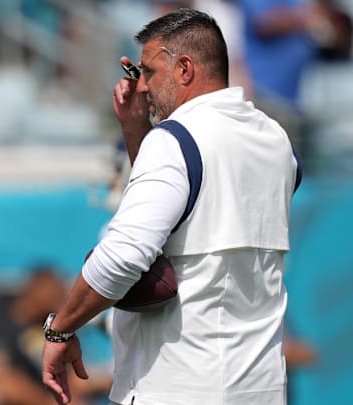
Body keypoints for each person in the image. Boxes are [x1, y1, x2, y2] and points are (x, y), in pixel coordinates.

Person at [41, 8, 300, 405]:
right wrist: (136, 131)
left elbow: (123, 258)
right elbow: (200, 203)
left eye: (147, 71)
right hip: (261, 389)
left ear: (184, 69)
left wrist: (60, 329)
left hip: (176, 386)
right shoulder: (276, 139)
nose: (141, 87)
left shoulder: (173, 141)